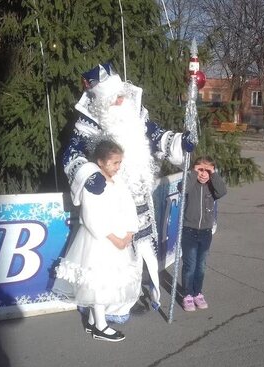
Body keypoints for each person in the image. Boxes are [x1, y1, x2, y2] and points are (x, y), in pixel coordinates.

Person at [63, 62, 195, 323]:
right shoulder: (88, 121)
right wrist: (88, 175)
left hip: (139, 198)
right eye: (115, 97)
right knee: (111, 257)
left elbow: (157, 136)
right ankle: (108, 307)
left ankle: (130, 298)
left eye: (122, 93)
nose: (122, 99)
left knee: (138, 253)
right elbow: (72, 153)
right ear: (102, 101)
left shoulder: (136, 113)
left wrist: (180, 142)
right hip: (108, 201)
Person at [54, 140, 140, 342]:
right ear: (101, 162)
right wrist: (113, 238)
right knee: (99, 281)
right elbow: (91, 216)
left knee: (109, 280)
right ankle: (101, 326)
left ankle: (94, 321)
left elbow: (129, 207)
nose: (118, 167)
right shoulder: (93, 185)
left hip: (119, 239)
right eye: (114, 163)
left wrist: (129, 233)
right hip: (101, 240)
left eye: (120, 163)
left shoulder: (118, 182)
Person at [180, 156, 227, 312]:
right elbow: (183, 188)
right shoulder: (191, 184)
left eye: (207, 170)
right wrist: (193, 174)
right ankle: (187, 294)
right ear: (194, 169)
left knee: (201, 266)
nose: (203, 173)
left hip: (205, 232)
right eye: (200, 169)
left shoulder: (212, 186)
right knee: (190, 265)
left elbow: (222, 191)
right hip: (188, 230)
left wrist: (213, 175)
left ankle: (197, 293)